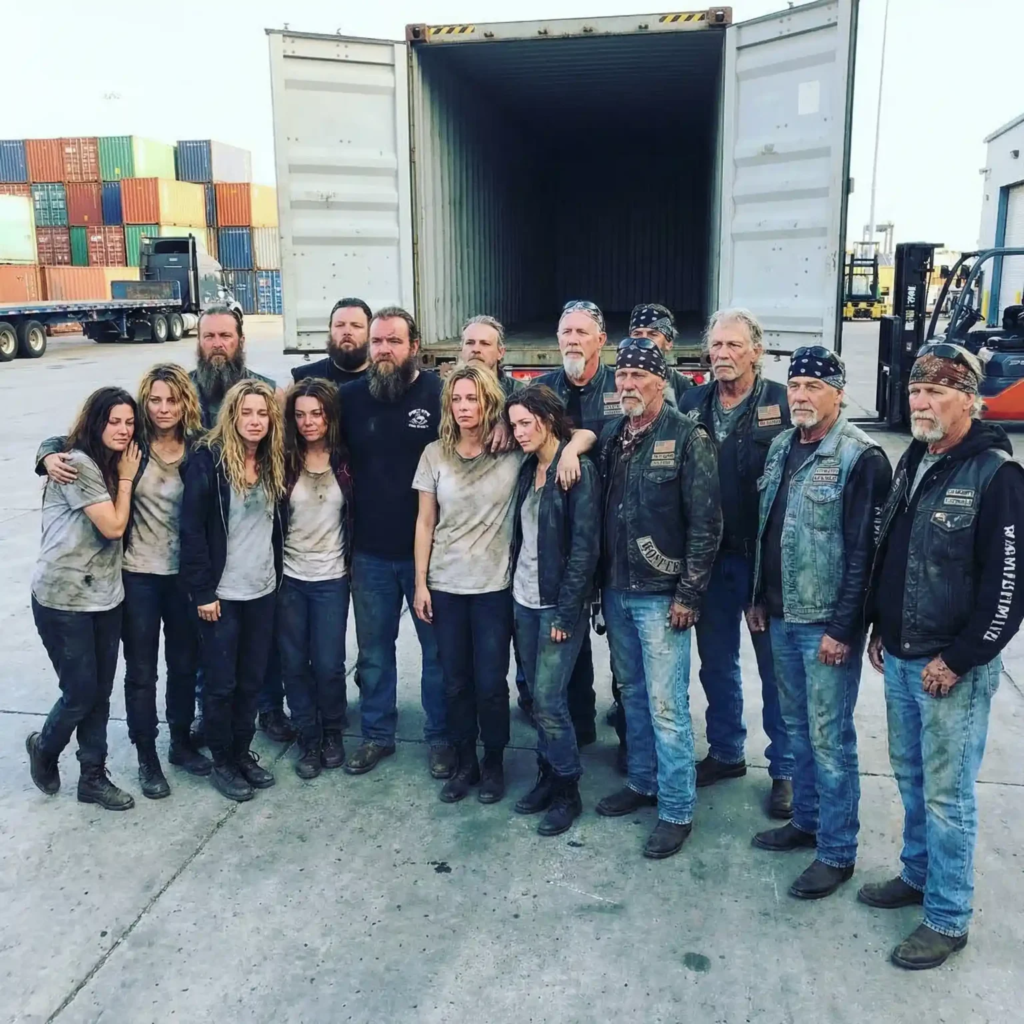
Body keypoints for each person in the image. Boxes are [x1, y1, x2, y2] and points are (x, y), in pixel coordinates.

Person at [860, 344, 1024, 970]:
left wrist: (959, 659)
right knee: (911, 777)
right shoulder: (917, 458)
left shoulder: (996, 476)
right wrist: (881, 625)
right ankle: (917, 873)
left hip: (949, 670)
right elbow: (894, 550)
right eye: (915, 391)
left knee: (948, 796)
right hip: (902, 655)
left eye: (936, 392)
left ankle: (948, 917)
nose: (921, 403)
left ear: (969, 401)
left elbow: (1008, 587)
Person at [412, 367, 595, 804]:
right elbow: (425, 522)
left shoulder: (513, 450)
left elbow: (575, 435)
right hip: (445, 585)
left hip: (495, 588)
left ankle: (493, 762)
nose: (464, 407)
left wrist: (572, 449)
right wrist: (420, 583)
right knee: (455, 681)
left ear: (488, 402)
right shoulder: (434, 454)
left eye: (473, 398)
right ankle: (465, 763)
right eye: (457, 399)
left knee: (492, 683)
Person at [749, 348, 891, 900]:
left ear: (839, 393)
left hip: (824, 625)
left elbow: (865, 555)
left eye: (814, 386)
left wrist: (844, 628)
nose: (801, 396)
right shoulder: (783, 445)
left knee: (831, 740)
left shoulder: (860, 457)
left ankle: (836, 852)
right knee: (796, 729)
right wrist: (759, 597)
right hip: (781, 615)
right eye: (795, 386)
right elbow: (767, 527)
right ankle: (805, 822)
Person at [35, 365, 215, 796]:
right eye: (155, 400)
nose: (164, 408)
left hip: (183, 578)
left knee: (184, 666)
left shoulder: (200, 448)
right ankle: (146, 756)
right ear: (144, 402)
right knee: (141, 672)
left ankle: (181, 743)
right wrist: (45, 455)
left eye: (172, 400)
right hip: (136, 577)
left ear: (186, 403)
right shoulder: (130, 445)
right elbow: (74, 439)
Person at [594, 340, 722, 860]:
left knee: (668, 706)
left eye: (638, 376)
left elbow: (706, 524)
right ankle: (642, 781)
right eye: (622, 375)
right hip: (617, 590)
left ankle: (675, 809)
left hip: (662, 596)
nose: (628, 384)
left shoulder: (688, 437)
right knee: (633, 695)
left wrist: (689, 593)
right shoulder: (613, 436)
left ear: (661, 382)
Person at [680, 309, 794, 818]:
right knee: (716, 662)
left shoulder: (782, 404)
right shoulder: (692, 403)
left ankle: (785, 768)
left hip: (762, 561)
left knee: (775, 669)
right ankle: (726, 751)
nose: (723, 354)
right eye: (717, 345)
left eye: (734, 345)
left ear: (756, 352)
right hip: (708, 560)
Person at [338, 306, 451, 778]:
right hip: (370, 554)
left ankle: (441, 738)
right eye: (378, 341)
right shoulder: (348, 399)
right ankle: (377, 735)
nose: (383, 350)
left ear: (414, 347)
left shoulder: (440, 395)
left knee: (437, 655)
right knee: (374, 654)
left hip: (431, 555)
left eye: (393, 341)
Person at [26, 388, 142, 811]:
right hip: (64, 599)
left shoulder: (114, 457)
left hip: (106, 597)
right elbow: (113, 526)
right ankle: (44, 746)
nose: (123, 430)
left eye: (130, 423)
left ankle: (92, 777)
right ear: (96, 422)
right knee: (80, 692)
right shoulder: (79, 464)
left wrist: (46, 451)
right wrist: (126, 480)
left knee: (100, 693)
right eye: (114, 421)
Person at [180, 379, 286, 802]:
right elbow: (191, 531)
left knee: (251, 681)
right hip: (222, 596)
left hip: (262, 590)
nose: (255, 421)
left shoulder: (273, 459)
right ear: (232, 415)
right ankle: (222, 761)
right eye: (247, 413)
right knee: (221, 684)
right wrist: (203, 592)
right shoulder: (208, 460)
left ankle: (242, 753)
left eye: (262, 413)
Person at [192, 306, 292, 746]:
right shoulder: (183, 393)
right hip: (207, 549)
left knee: (259, 654)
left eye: (225, 336)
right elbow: (114, 424)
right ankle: (212, 727)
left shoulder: (268, 391)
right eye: (209, 336)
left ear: (240, 340)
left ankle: (266, 712)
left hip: (257, 564)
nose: (217, 344)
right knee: (213, 660)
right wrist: (51, 452)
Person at [507, 385, 600, 836]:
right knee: (536, 701)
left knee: (548, 699)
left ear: (547, 420)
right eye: (514, 425)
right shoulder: (528, 469)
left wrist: (567, 613)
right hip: (524, 600)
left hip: (557, 606)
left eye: (526, 423)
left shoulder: (576, 470)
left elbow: (584, 550)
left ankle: (568, 789)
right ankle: (547, 775)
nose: (519, 433)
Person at [536, 300, 618, 749]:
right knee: (569, 633)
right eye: (566, 333)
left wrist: (573, 448)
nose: (573, 341)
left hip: (616, 532)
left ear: (600, 340)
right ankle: (578, 723)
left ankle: (629, 735)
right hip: (562, 536)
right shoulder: (542, 390)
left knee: (623, 644)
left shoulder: (621, 386)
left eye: (582, 333)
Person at [278, 378, 354, 779]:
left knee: (328, 663)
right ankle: (308, 735)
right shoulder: (283, 459)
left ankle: (332, 731)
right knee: (294, 662)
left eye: (317, 414)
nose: (309, 422)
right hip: (289, 578)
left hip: (331, 577)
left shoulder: (346, 460)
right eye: (300, 415)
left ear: (330, 416)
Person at [291, 298, 372, 387]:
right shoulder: (303, 379)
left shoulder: (383, 381)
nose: (347, 331)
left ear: (370, 331)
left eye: (356, 326)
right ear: (330, 330)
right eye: (339, 325)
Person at [628, 303, 693, 405]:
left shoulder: (681, 384)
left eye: (652, 334)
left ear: (668, 343)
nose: (644, 340)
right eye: (637, 334)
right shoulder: (614, 380)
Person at [460, 314, 521, 398]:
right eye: (470, 343)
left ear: (500, 352)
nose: (476, 349)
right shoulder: (445, 390)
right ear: (461, 350)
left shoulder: (518, 393)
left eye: (485, 343)